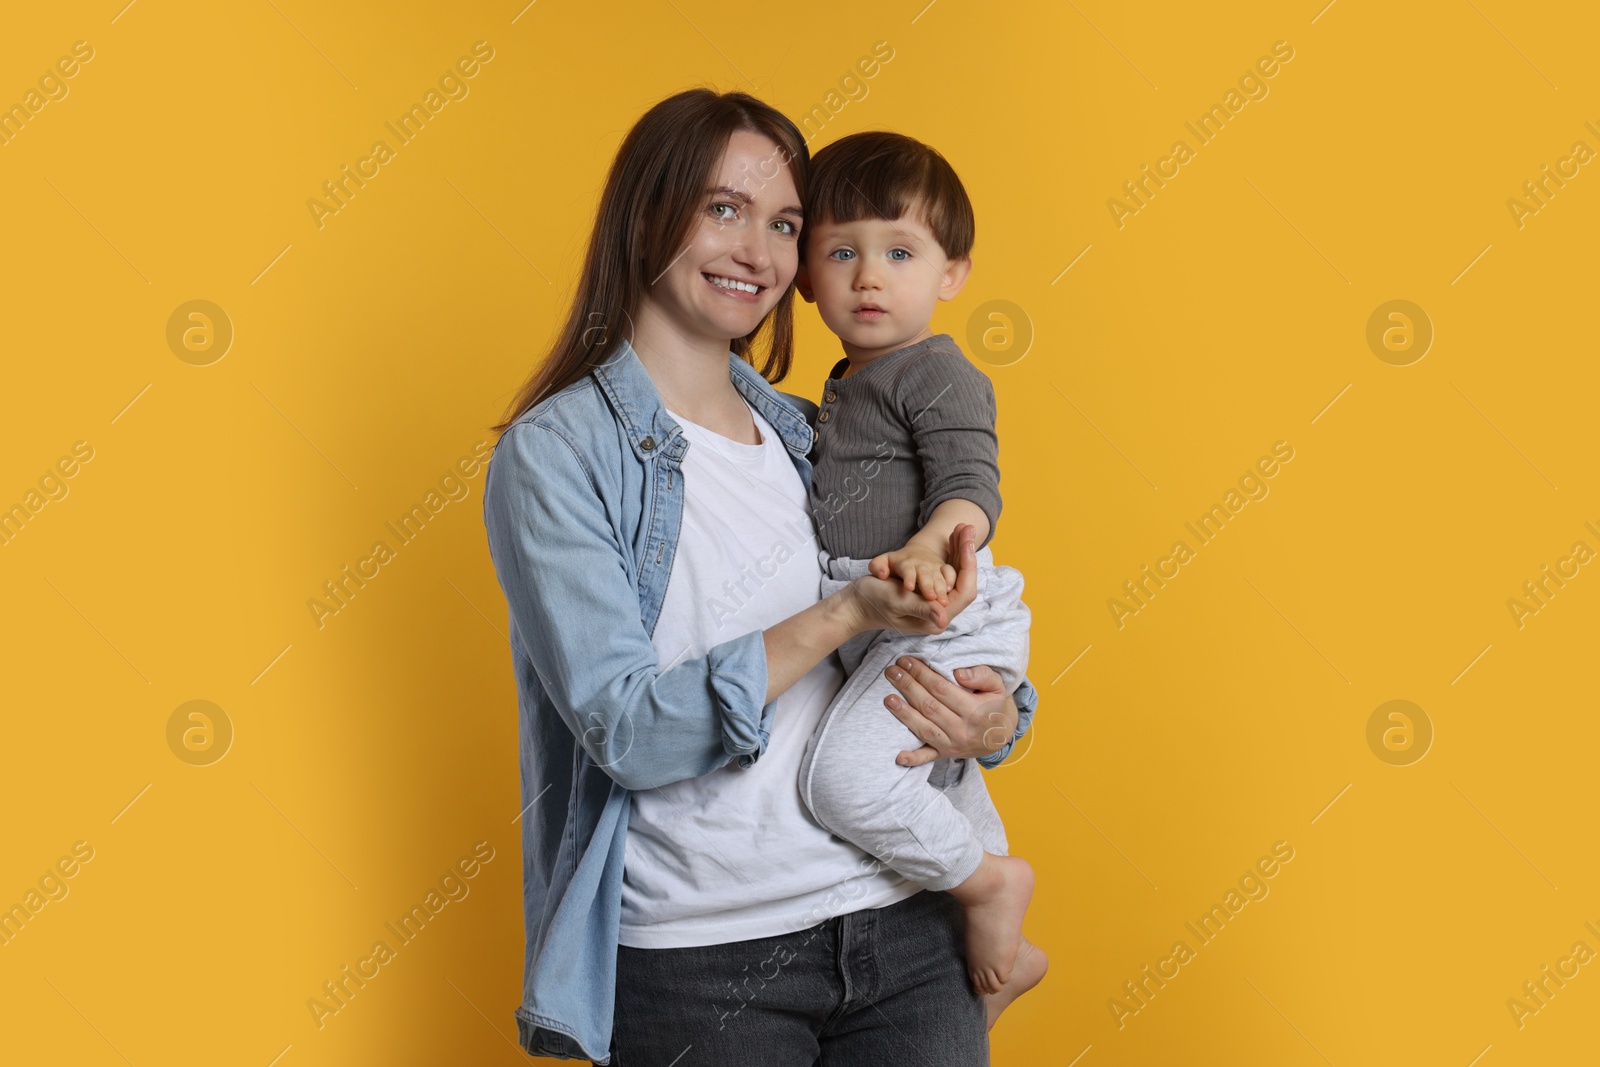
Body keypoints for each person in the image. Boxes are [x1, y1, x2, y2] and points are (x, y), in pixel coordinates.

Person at [480, 87, 1039, 1065]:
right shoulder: (556, 453)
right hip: (702, 957)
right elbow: (629, 729)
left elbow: (939, 627)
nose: (757, 251)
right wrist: (841, 611)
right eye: (722, 208)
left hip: (903, 922)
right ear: (647, 213)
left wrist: (998, 717)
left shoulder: (810, 432)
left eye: (784, 223)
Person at [793, 130, 1047, 1030]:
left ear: (951, 274)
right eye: (842, 252)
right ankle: (1011, 958)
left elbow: (970, 482)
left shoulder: (935, 370)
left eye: (899, 253)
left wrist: (938, 541)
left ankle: (987, 885)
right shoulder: (834, 387)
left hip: (949, 610)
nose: (869, 276)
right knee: (928, 773)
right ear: (804, 275)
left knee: (846, 783)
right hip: (889, 624)